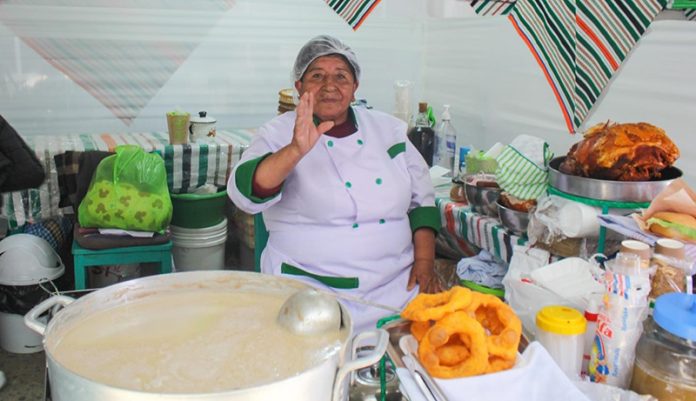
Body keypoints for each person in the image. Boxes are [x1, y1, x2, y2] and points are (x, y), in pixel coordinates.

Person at [227, 35, 442, 332]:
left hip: (397, 287)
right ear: (299, 87)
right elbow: (244, 192)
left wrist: (425, 261)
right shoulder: (277, 133)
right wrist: (295, 150)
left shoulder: (387, 129)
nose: (330, 85)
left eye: (341, 76)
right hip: (309, 290)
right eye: (317, 76)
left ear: (355, 88)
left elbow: (423, 201)